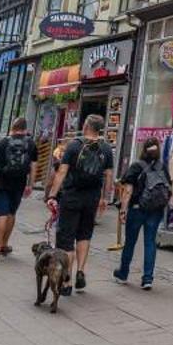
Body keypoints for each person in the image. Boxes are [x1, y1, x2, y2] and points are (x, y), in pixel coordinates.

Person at [43, 115, 113, 296]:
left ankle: (67, 281)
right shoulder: (106, 148)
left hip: (72, 196)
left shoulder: (74, 145)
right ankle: (81, 270)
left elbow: (62, 172)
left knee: (66, 239)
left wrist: (52, 195)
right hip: (92, 198)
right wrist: (105, 198)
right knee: (84, 235)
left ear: (86, 126)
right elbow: (108, 175)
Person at [111, 139, 169, 290]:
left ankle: (123, 274)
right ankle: (147, 278)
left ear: (143, 150)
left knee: (130, 242)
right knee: (150, 242)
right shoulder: (162, 166)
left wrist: (123, 210)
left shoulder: (136, 166)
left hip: (137, 209)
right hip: (155, 210)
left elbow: (128, 190)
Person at [0, 119, 34, 260]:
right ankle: (5, 244)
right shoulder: (30, 144)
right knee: (11, 213)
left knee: (1, 214)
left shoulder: (1, 143)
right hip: (19, 183)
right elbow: (33, 165)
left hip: (1, 183)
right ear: (25, 129)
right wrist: (30, 184)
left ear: (12, 127)